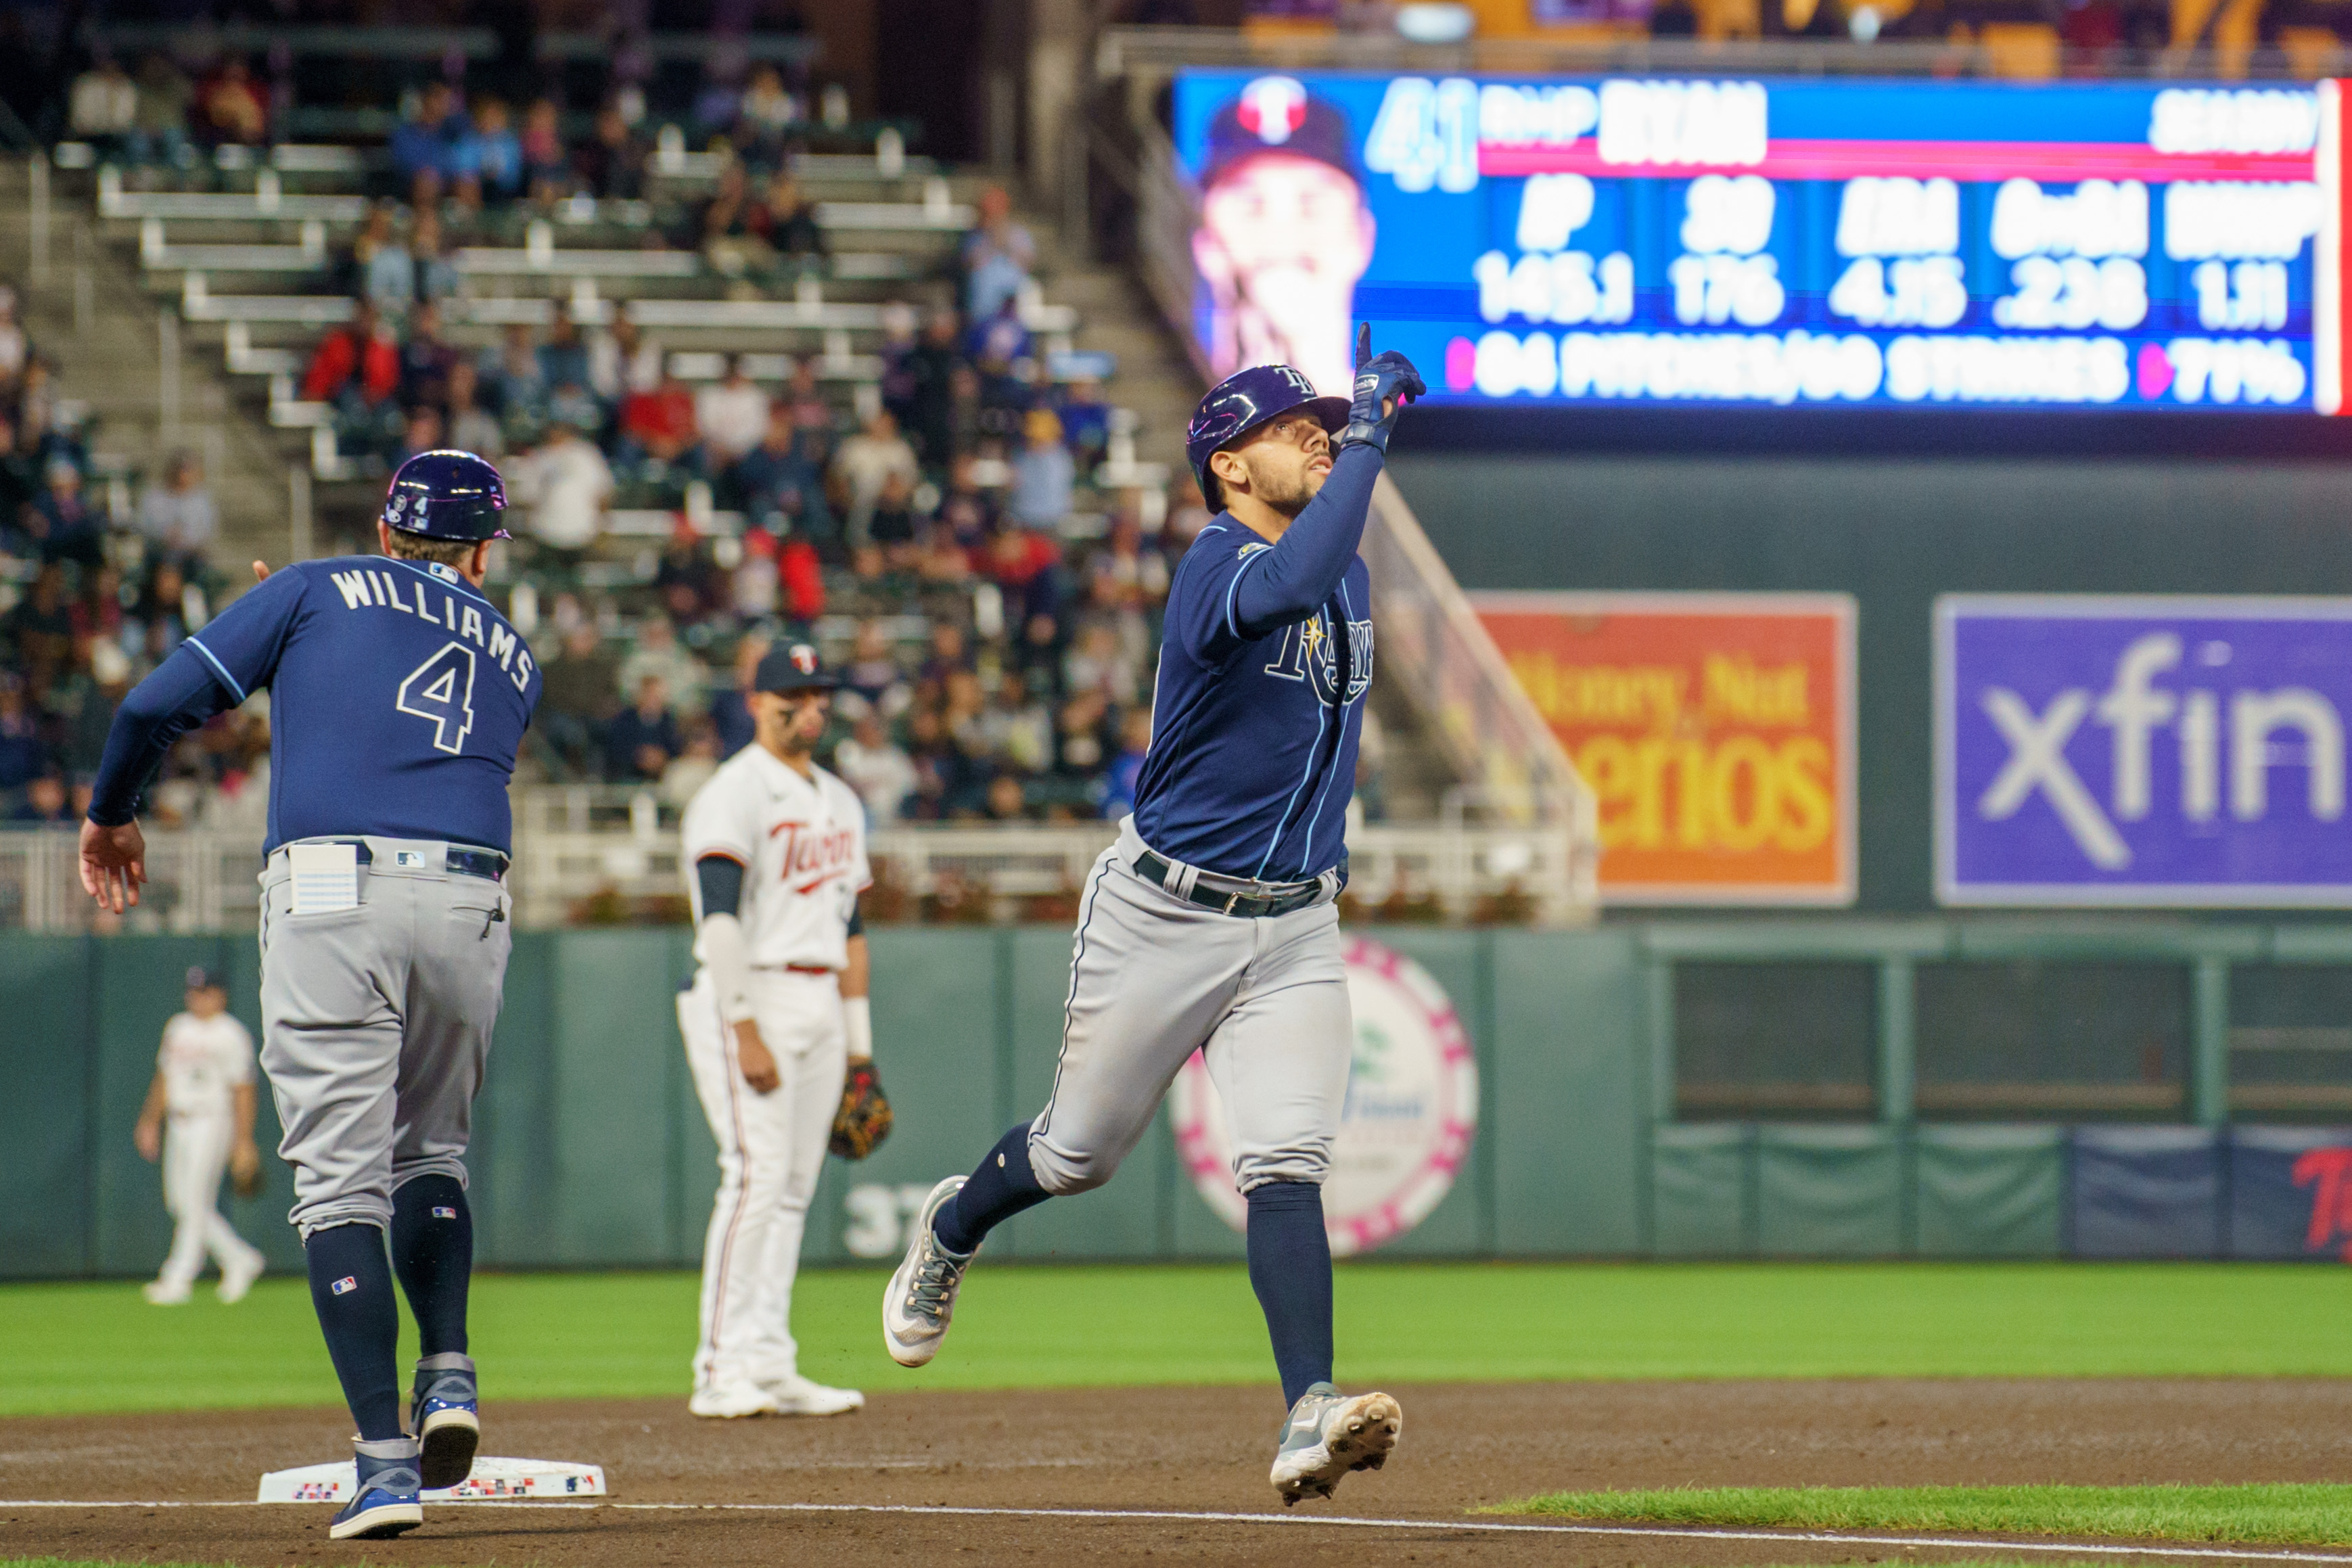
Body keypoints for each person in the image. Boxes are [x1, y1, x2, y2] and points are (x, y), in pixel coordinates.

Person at [880, 331, 1423, 1505]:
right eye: (1294, 430)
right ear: (1227, 465)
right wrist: (1373, 439)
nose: (1321, 436)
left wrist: (1351, 456)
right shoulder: (1216, 562)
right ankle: (954, 1223)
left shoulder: (1348, 567)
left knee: (1286, 1157)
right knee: (1076, 1152)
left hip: (1292, 923)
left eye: (1329, 425)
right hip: (1163, 913)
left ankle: (1306, 1411)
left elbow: (1324, 587)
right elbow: (1284, 587)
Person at [78, 451, 540, 1542]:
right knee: (431, 1152)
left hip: (335, 888)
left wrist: (111, 809)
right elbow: (403, 731)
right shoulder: (516, 654)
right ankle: (452, 1370)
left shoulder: (315, 583)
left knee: (339, 1186)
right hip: (472, 897)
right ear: (481, 552)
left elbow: (154, 704)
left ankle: (385, 1464)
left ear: (387, 529)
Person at [678, 641, 879, 1419]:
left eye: (821, 693)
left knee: (794, 1187)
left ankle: (768, 1358)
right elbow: (719, 919)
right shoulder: (733, 793)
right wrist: (744, 1025)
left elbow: (853, 924)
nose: (812, 707)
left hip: (822, 994)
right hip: (750, 988)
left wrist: (860, 1046)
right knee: (755, 1174)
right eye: (795, 693)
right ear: (758, 701)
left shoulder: (838, 797)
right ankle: (717, 1366)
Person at [1191, 78, 1378, 398]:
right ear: (1205, 241)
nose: (1282, 230)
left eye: (1312, 202)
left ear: (1361, 236)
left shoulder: (1376, 422)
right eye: (1251, 204)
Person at [132, 965, 267, 1306]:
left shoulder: (230, 1033)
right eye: (193, 991)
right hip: (178, 1119)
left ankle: (178, 1278)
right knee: (180, 1202)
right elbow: (164, 1076)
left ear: (220, 994)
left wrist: (244, 1140)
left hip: (212, 1119)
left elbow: (244, 1089)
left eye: (204, 991)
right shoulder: (178, 1026)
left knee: (194, 1199)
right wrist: (150, 1120)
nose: (197, 997)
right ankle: (239, 1259)